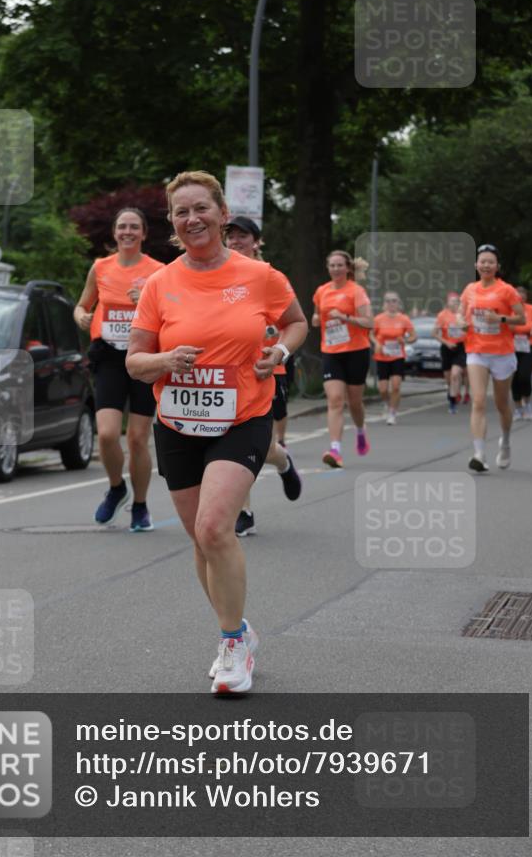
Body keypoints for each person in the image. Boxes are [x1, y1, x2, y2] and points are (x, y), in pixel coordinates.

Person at [126, 171, 307, 694]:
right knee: (200, 540)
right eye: (181, 212)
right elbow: (136, 361)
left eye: (201, 208)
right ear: (173, 223)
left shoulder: (261, 276)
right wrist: (165, 359)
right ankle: (241, 632)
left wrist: (281, 352)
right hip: (179, 422)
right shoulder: (160, 284)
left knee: (213, 528)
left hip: (243, 415)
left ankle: (231, 642)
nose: (192, 218)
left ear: (223, 214)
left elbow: (296, 322)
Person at [73, 208, 163, 530]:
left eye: (134, 227)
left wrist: (148, 301)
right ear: (114, 233)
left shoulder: (157, 271)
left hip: (144, 357)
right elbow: (83, 304)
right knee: (108, 434)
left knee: (138, 438)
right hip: (109, 356)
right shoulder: (100, 268)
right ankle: (116, 488)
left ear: (143, 234)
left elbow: (173, 312)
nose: (128, 232)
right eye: (122, 226)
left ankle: (140, 506)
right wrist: (81, 315)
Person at [224, 216, 302, 537]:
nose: (235, 241)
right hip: (227, 375)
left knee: (264, 448)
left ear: (257, 242)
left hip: (267, 371)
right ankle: (244, 511)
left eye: (243, 236)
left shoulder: (268, 278)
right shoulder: (219, 275)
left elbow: (294, 322)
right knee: (232, 445)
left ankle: (283, 463)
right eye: (230, 236)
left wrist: (279, 350)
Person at [457, 244, 525, 472]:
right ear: (476, 265)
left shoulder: (506, 290)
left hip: (502, 353)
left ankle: (505, 442)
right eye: (482, 261)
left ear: (497, 267)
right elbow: (460, 311)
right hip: (476, 350)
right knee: (478, 401)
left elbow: (521, 318)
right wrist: (460, 322)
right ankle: (479, 454)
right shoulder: (470, 289)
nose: (486, 265)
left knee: (501, 403)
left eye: (490, 262)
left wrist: (501, 319)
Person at [312, 251, 373, 468]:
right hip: (331, 351)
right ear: (328, 268)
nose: (336, 269)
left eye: (340, 265)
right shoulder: (322, 291)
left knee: (354, 402)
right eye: (332, 265)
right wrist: (317, 319)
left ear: (348, 268)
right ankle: (335, 449)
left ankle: (360, 430)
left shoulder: (357, 291)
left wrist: (345, 317)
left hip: (356, 351)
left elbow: (369, 322)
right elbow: (317, 317)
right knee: (335, 400)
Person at [371, 292, 416, 424]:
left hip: (397, 356)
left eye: (394, 301)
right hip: (382, 356)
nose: (391, 304)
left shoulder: (404, 319)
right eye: (389, 301)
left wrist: (405, 339)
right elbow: (370, 334)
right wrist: (377, 343)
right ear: (384, 304)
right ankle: (387, 403)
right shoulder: (378, 319)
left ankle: (392, 412)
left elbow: (413, 336)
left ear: (398, 303)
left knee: (396, 386)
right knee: (383, 389)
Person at [433, 292, 468, 413]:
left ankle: (453, 403)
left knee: (455, 374)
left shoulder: (463, 315)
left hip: (460, 347)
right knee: (448, 378)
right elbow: (434, 333)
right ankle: (452, 392)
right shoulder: (442, 315)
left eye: (457, 301)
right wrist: (447, 342)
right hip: (447, 347)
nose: (454, 303)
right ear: (447, 303)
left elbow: (469, 331)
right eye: (452, 301)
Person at [511, 286, 532, 420]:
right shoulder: (508, 309)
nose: (520, 297)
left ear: (526, 297)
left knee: (524, 376)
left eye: (522, 295)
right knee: (515, 379)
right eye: (517, 295)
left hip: (529, 346)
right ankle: (518, 408)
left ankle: (527, 404)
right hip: (511, 348)